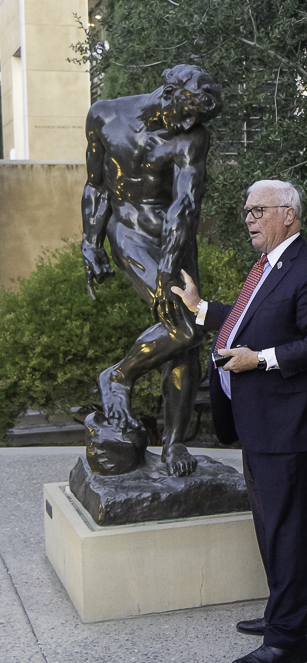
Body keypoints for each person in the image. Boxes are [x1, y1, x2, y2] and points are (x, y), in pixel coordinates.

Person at [172, 179, 307, 663]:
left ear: (288, 214)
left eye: (257, 210)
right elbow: (248, 320)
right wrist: (200, 308)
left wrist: (260, 359)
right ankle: (292, 612)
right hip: (262, 424)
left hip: (290, 427)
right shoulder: (268, 268)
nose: (248, 219)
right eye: (246, 211)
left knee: (286, 530)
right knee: (274, 526)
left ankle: (287, 640)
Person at [81, 64, 222, 476]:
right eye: (189, 111)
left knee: (186, 339)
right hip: (127, 231)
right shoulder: (104, 115)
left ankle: (174, 443)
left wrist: (168, 268)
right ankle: (118, 376)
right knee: (186, 327)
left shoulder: (193, 137)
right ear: (170, 92)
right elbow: (96, 185)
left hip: (175, 239)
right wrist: (90, 243)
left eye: (199, 118)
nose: (191, 123)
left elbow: (185, 205)